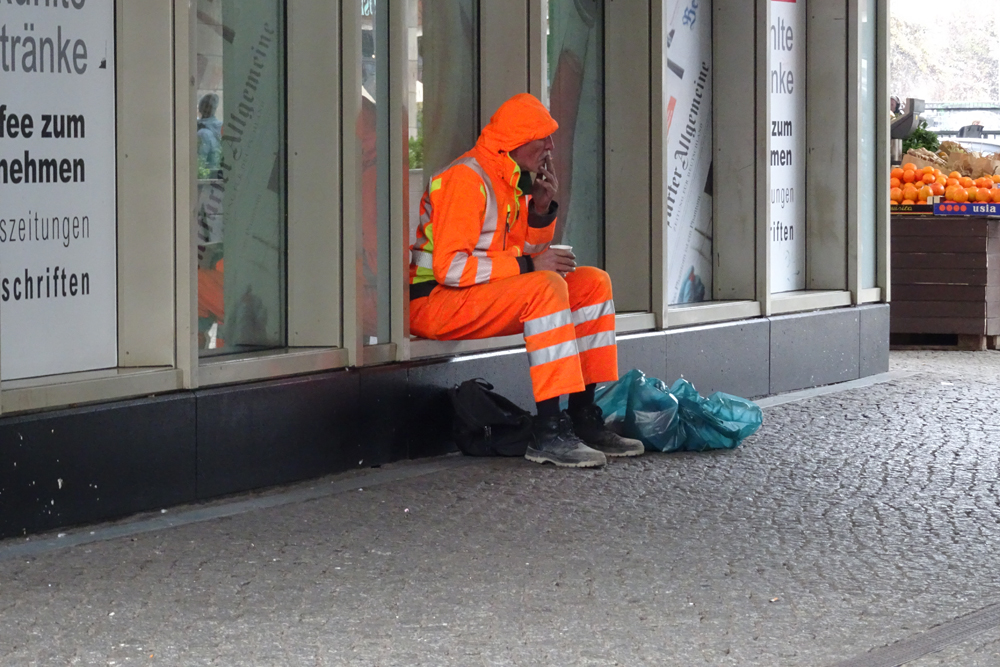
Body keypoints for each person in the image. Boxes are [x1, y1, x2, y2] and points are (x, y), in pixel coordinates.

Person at [409, 92, 644, 468]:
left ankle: (582, 417)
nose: (550, 145)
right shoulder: (468, 178)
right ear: (515, 142)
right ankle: (549, 431)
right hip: (434, 303)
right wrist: (530, 267)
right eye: (542, 137)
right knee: (546, 286)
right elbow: (451, 269)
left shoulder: (509, 179)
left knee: (592, 283)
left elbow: (524, 252)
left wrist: (539, 210)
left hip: (473, 296)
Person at [197, 94, 223, 176]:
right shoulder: (218, 126)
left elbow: (200, 161)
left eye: (208, 106)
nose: (206, 109)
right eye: (204, 106)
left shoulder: (203, 132)